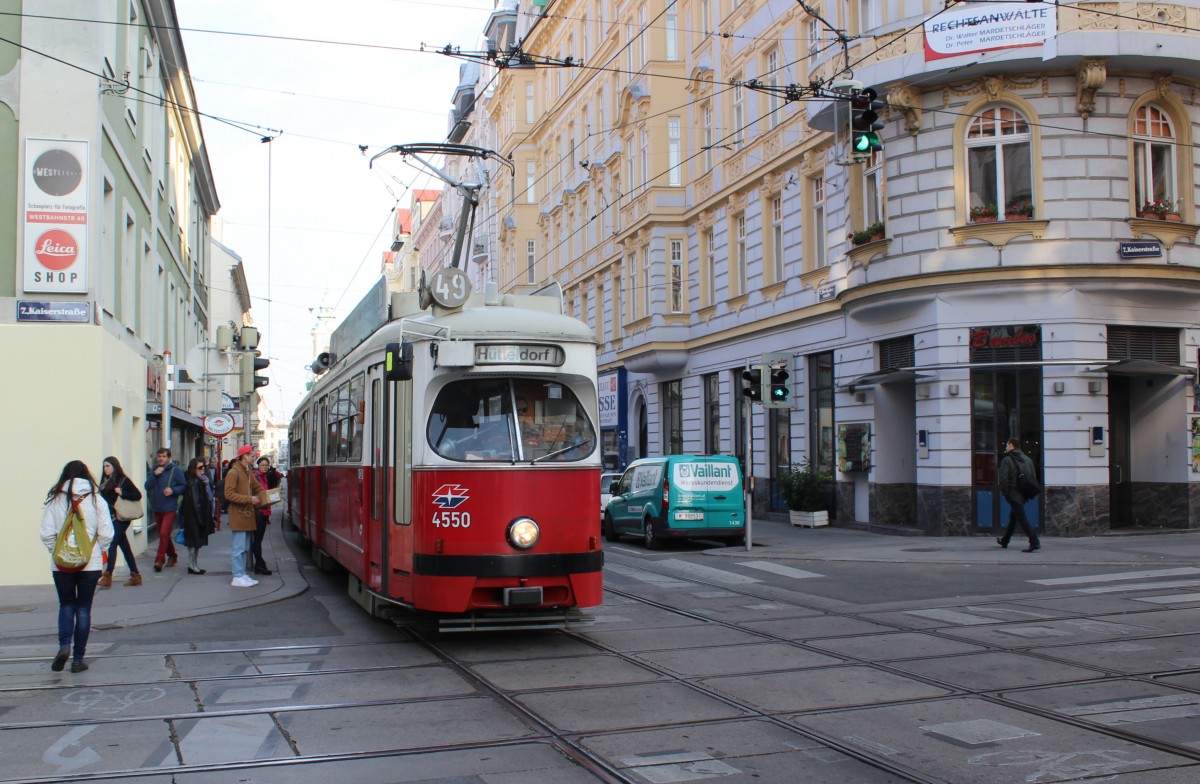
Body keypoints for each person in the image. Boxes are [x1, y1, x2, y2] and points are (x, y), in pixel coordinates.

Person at [39, 460, 113, 673]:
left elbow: (46, 533)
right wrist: (96, 552)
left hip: (61, 564)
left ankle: (64, 646)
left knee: (66, 605)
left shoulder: (54, 500)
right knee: (83, 608)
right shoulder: (97, 500)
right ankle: (78, 659)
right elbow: (107, 533)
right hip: (90, 563)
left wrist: (59, 552)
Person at [97, 456, 143, 587]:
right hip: (110, 518)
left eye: (108, 466)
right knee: (124, 547)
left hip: (121, 517)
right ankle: (136, 575)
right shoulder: (104, 482)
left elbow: (137, 495)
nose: (105, 469)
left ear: (114, 466)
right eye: (104, 466)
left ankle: (108, 575)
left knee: (112, 544)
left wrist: (122, 492)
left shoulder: (123, 480)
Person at [224, 445, 265, 587]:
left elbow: (257, 487)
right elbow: (228, 494)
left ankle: (241, 574)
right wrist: (249, 499)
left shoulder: (246, 472)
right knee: (239, 548)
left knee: (244, 547)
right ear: (245, 456)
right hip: (239, 514)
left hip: (246, 515)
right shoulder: (234, 472)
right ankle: (237, 576)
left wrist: (267, 496)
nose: (254, 458)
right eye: (252, 455)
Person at [144, 448, 186, 572]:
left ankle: (159, 559)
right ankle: (172, 555)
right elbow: (147, 486)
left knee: (163, 534)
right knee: (164, 534)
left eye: (163, 456)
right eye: (159, 456)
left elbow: (184, 486)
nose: (161, 458)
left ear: (168, 458)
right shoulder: (154, 470)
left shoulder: (176, 470)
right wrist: (155, 475)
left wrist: (173, 490)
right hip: (156, 506)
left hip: (169, 507)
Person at [997, 438, 1042, 552]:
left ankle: (1034, 541)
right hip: (1024, 494)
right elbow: (1033, 477)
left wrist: (1006, 493)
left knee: (1022, 518)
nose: (1006, 447)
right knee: (1014, 517)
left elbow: (1003, 479)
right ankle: (1005, 540)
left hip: (1013, 494)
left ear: (1011, 445)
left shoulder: (1007, 460)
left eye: (1007, 444)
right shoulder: (1028, 459)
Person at [179, 458, 216, 574]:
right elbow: (196, 503)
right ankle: (192, 566)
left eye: (203, 467)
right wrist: (201, 520)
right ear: (193, 469)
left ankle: (194, 565)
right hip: (194, 518)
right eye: (200, 468)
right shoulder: (194, 482)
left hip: (196, 517)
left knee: (196, 543)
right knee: (194, 543)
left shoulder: (202, 481)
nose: (203, 469)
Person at [251, 457, 282, 575]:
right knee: (257, 540)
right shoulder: (256, 477)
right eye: (262, 465)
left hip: (264, 512)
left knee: (258, 540)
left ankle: (259, 564)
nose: (264, 467)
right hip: (259, 512)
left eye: (266, 465)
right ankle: (259, 565)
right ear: (258, 466)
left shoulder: (264, 477)